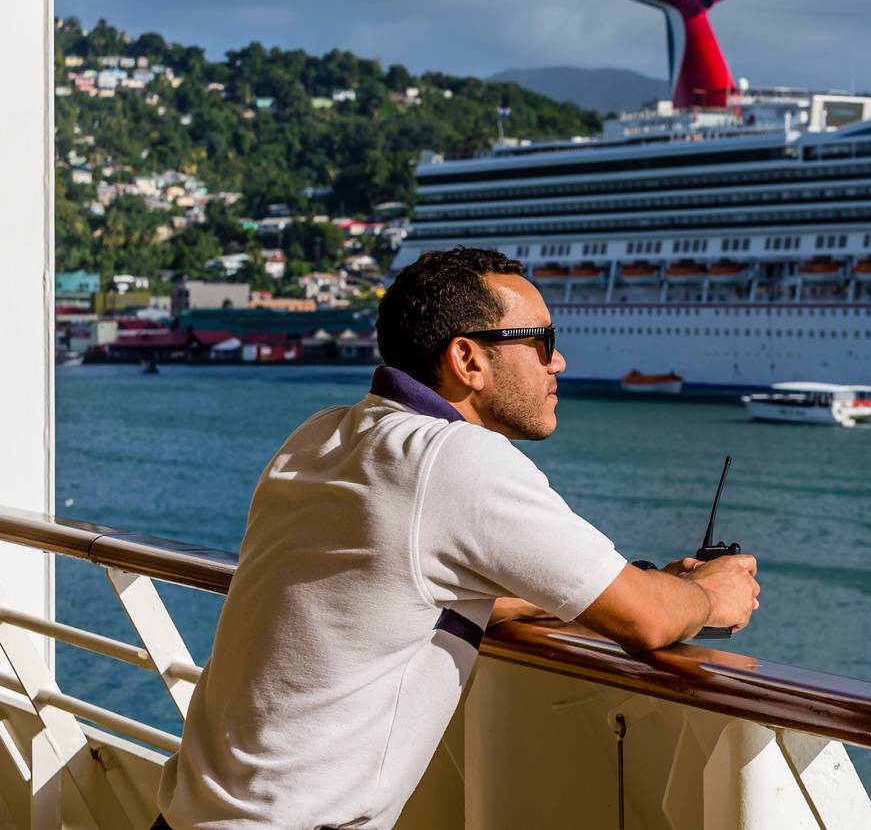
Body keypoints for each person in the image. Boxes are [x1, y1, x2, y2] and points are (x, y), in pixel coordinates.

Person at [153, 246, 759, 829]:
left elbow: (389, 592)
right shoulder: (455, 459)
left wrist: (592, 594)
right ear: (467, 360)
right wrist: (709, 594)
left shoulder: (322, 436)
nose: (559, 362)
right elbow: (649, 620)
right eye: (541, 341)